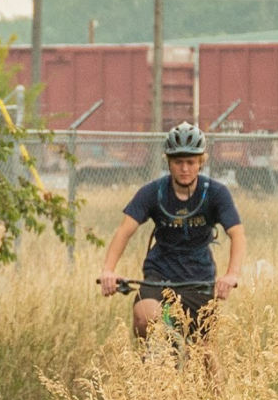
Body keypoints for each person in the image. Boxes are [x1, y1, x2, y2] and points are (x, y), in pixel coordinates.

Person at [99, 122, 246, 338]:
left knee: (204, 352)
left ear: (200, 163)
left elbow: (237, 234)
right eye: (178, 162)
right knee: (144, 318)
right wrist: (108, 271)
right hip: (159, 275)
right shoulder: (153, 192)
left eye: (191, 162)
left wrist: (231, 275)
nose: (184, 168)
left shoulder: (216, 193)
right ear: (169, 163)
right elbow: (124, 232)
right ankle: (155, 366)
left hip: (198, 277)